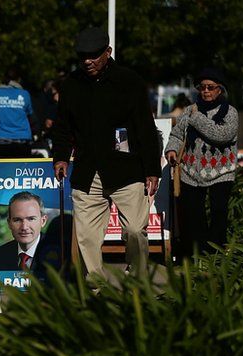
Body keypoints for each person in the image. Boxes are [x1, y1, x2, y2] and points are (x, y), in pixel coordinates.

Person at [52, 27, 162, 286]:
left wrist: (152, 170)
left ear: (108, 52)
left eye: (93, 55)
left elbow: (145, 128)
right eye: (82, 56)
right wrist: (60, 158)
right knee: (87, 237)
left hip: (127, 169)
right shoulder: (71, 85)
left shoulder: (129, 81)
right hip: (88, 171)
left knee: (135, 230)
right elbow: (62, 127)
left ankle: (136, 276)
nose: (87, 61)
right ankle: (96, 284)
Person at [164, 67, 238, 255]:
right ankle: (195, 255)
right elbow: (177, 134)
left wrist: (196, 119)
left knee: (218, 213)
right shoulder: (188, 110)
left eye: (210, 87)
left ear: (219, 89)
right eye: (202, 87)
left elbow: (221, 135)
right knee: (193, 215)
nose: (205, 91)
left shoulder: (230, 112)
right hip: (191, 172)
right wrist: (171, 148)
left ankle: (216, 254)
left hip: (221, 172)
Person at [0, 192, 53, 278]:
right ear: (9, 223)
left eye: (31, 219)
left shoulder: (57, 253)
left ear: (43, 221)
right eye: (17, 220)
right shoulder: (2, 254)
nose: (24, 227)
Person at [0, 73, 35, 159]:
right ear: (18, 80)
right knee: (22, 171)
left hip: (0, 139)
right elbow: (30, 115)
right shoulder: (25, 94)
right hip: (22, 138)